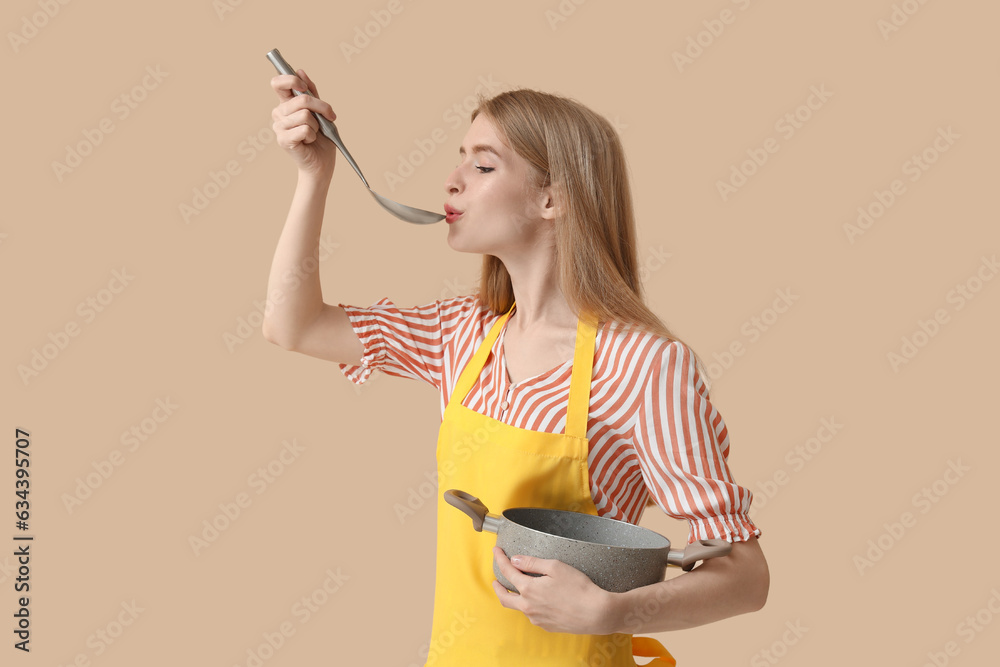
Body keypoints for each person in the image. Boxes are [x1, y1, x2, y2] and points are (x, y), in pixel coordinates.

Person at [263, 68, 769, 666]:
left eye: (482, 166)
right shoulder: (460, 334)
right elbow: (292, 325)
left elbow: (746, 576)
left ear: (552, 197)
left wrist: (614, 613)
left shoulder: (643, 364)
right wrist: (314, 173)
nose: (450, 181)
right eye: (460, 160)